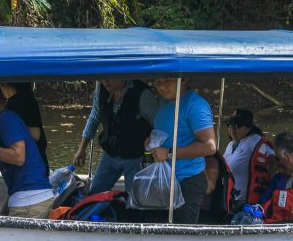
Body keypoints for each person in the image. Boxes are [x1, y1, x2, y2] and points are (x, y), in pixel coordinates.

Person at [0, 84, 55, 218]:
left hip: (30, 201)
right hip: (27, 198)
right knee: (3, 216)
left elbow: (19, 157)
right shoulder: (2, 121)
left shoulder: (6, 120)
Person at [150, 78, 217, 224]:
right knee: (161, 230)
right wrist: (152, 140)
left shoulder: (195, 105)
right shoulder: (165, 102)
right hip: (165, 179)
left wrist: (168, 152)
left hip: (187, 181)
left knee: (181, 234)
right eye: (159, 82)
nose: (162, 87)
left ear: (184, 79)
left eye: (168, 81)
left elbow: (210, 146)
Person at [72, 79, 157, 194]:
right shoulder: (101, 91)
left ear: (123, 74)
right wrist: (82, 148)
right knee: (94, 193)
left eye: (111, 76)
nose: (106, 81)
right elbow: (94, 118)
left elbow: (158, 124)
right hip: (110, 153)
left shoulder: (143, 94)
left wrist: (154, 145)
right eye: (103, 77)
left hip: (136, 156)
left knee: (134, 198)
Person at [0, 83, 49, 176]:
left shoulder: (24, 101)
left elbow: (36, 134)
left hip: (34, 165)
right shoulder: (12, 103)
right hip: (30, 165)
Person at [222, 108, 265, 203]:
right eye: (230, 125)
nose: (232, 129)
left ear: (248, 127)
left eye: (237, 126)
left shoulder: (256, 141)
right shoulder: (231, 145)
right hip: (229, 199)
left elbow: (273, 159)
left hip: (246, 201)